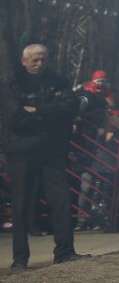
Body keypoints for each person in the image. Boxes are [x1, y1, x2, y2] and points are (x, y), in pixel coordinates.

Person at [2, 44, 83, 268]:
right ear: (24, 61)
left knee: (62, 201)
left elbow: (70, 107)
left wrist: (37, 111)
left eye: (43, 59)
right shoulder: (11, 85)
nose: (39, 64)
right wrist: (51, 112)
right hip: (22, 152)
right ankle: (20, 259)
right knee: (21, 206)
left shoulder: (58, 81)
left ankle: (65, 251)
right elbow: (15, 119)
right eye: (35, 60)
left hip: (51, 151)